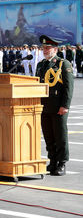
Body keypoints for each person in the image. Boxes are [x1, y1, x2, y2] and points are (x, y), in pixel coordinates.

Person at [36, 35, 74, 176]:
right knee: (48, 136)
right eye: (44, 48)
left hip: (58, 107)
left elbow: (68, 88)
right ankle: (52, 161)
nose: (45, 50)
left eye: (48, 48)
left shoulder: (63, 64)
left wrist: (65, 106)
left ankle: (62, 163)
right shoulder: (41, 65)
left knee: (60, 136)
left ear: (55, 49)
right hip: (43, 106)